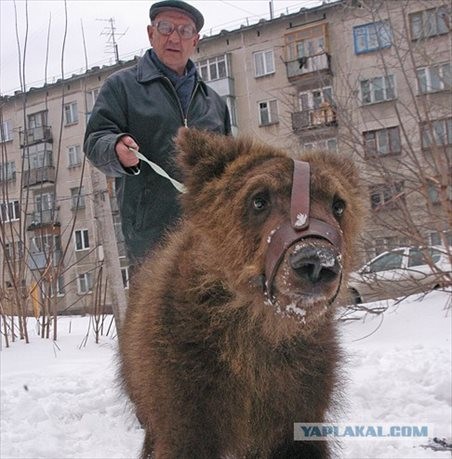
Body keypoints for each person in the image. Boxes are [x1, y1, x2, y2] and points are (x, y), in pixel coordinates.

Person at [84, 0, 231, 271]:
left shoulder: (214, 102)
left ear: (195, 40)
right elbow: (95, 139)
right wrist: (116, 149)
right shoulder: (123, 87)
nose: (174, 37)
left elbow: (230, 168)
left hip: (209, 240)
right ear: (151, 33)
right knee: (152, 314)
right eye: (166, 27)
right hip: (150, 240)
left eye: (185, 30)